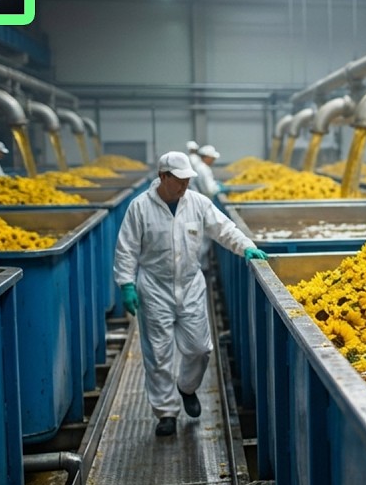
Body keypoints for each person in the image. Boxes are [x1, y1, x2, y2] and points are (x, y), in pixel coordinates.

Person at [113, 151, 269, 437]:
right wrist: (126, 284)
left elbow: (224, 229)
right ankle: (166, 413)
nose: (185, 185)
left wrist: (246, 247)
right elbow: (127, 247)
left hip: (190, 284)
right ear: (164, 177)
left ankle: (187, 387)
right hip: (155, 287)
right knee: (158, 353)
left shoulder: (197, 203)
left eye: (187, 180)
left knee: (200, 348)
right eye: (180, 180)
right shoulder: (140, 208)